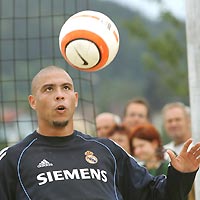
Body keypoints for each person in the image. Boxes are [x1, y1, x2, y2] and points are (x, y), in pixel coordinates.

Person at [0, 66, 200, 200]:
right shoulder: (12, 159)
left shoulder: (107, 150)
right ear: (33, 101)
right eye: (49, 89)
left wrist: (182, 175)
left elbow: (155, 195)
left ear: (75, 98)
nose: (59, 94)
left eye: (66, 88)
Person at [162, 102, 195, 200]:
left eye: (178, 120)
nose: (173, 124)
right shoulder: (162, 152)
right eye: (169, 121)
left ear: (188, 121)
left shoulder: (197, 148)